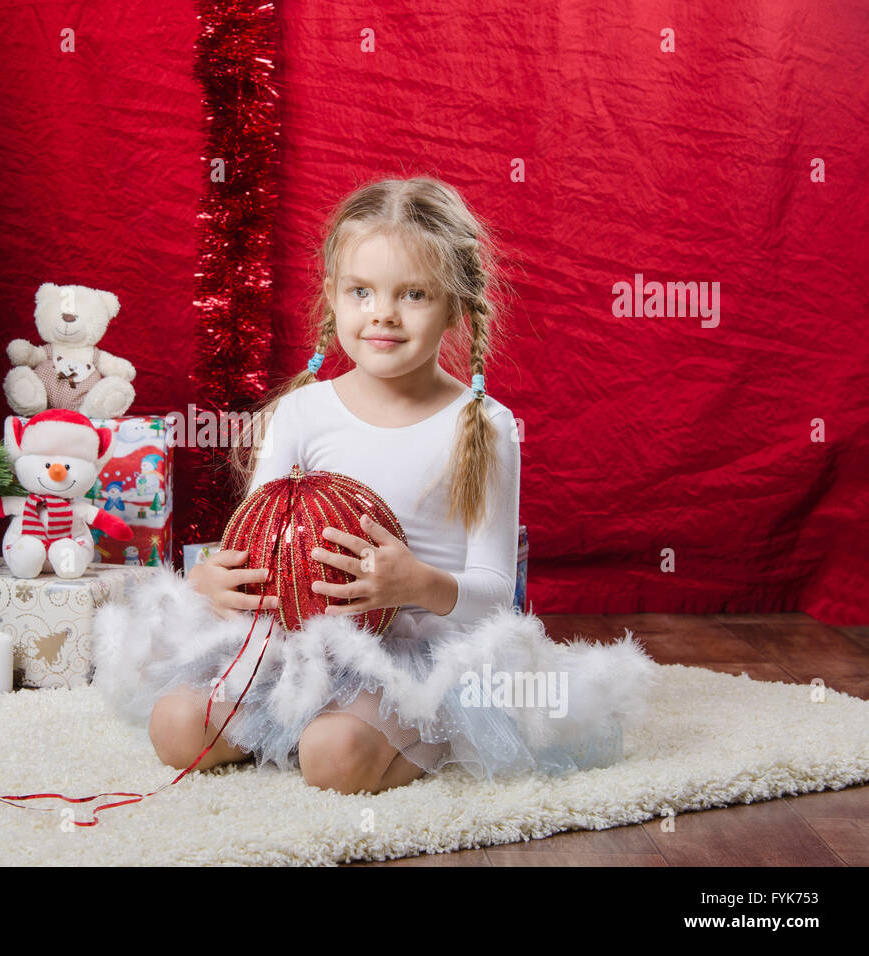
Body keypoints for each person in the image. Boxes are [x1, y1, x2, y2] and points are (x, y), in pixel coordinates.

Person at [92, 176, 658, 795]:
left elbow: (497, 596)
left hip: (419, 656)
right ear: (333, 296)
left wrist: (416, 583)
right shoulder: (304, 414)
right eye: (362, 291)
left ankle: (421, 734)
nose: (383, 313)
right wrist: (210, 583)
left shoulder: (483, 426)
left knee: (332, 757)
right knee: (174, 729)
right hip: (297, 645)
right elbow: (257, 542)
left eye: (413, 293)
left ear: (455, 305)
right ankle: (295, 724)